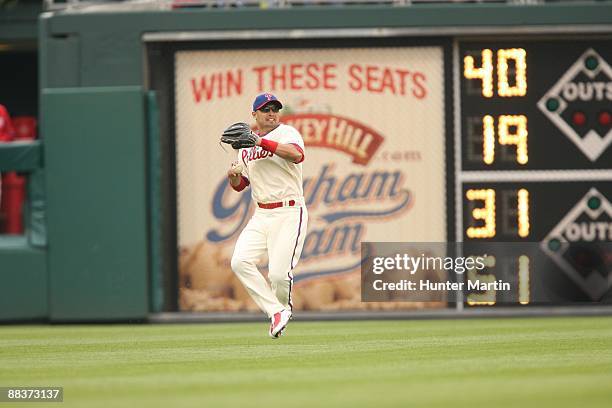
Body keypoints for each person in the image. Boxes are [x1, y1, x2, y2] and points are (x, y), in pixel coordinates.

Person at [227, 93, 308, 339]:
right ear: (255, 114)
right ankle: (276, 311)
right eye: (265, 109)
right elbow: (242, 185)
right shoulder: (245, 147)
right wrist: (234, 178)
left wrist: (259, 142)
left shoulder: (287, 133)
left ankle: (283, 310)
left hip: (289, 211)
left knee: (278, 276)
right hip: (261, 214)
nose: (271, 113)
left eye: (275, 109)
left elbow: (296, 155)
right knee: (239, 262)